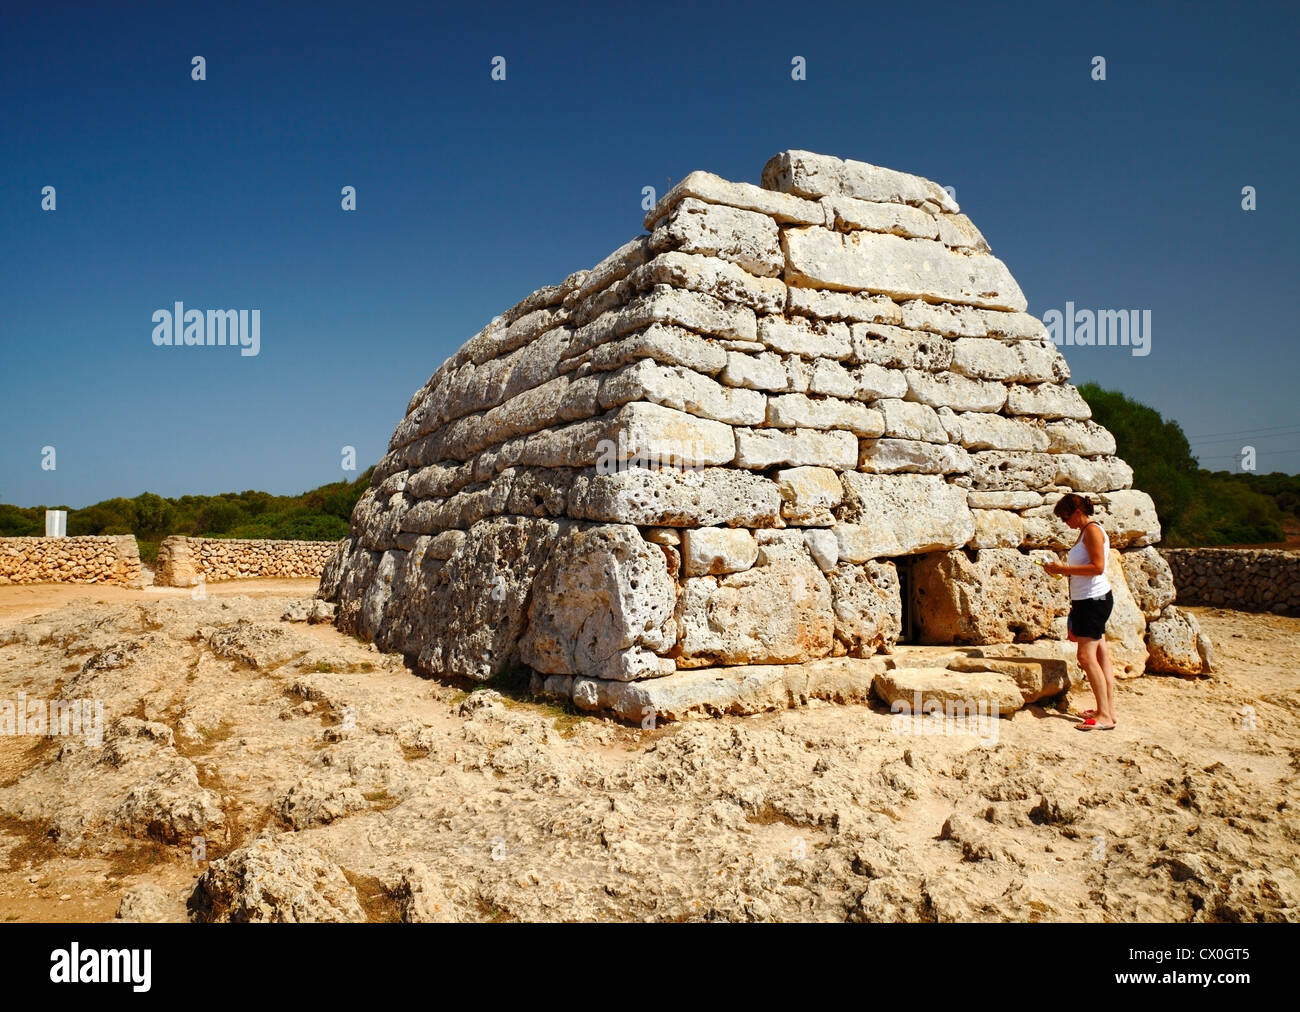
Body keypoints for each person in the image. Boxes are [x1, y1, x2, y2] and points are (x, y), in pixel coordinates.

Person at [1043, 493, 1116, 730]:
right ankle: (1107, 710)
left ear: (1076, 512)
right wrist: (1062, 571)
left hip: (1092, 601)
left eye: (1066, 517)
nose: (1065, 523)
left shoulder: (1093, 531)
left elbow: (1097, 567)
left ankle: (1104, 716)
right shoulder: (1086, 531)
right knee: (1101, 654)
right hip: (1092, 599)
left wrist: (1063, 569)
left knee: (1085, 657)